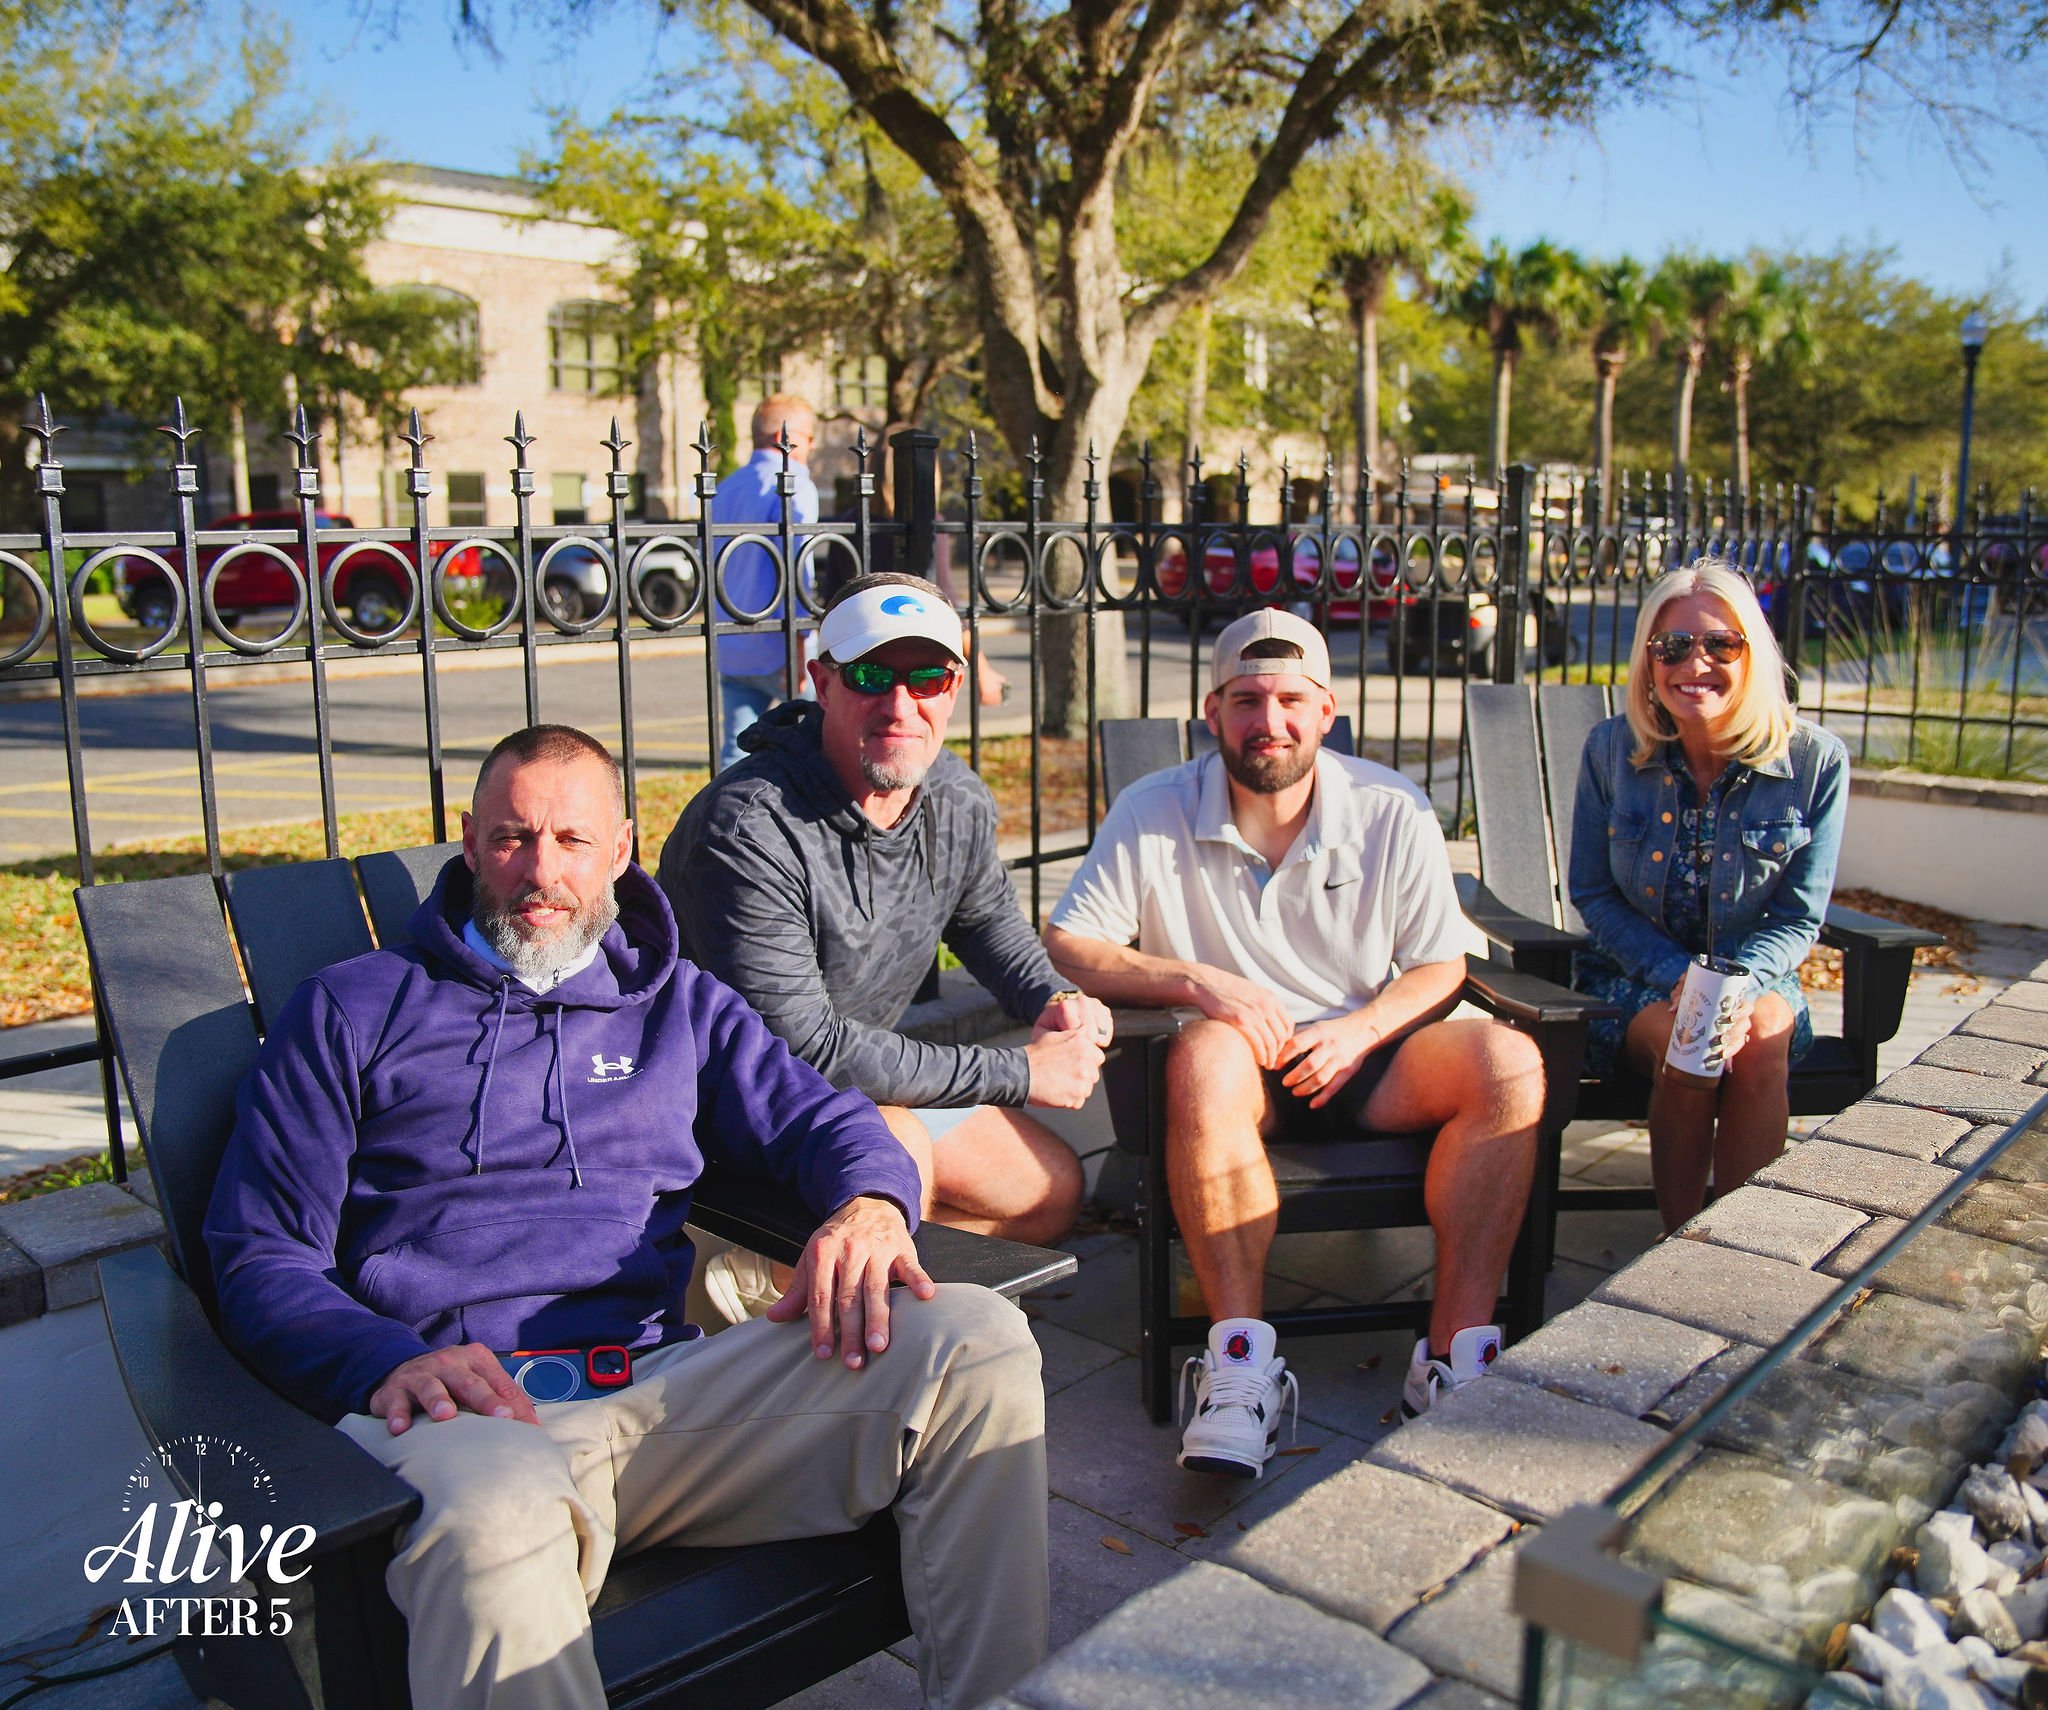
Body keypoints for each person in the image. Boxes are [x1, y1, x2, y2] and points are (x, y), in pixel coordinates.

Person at [204, 724, 1048, 1710]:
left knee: (976, 1339)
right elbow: (261, 1256)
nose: (539, 870)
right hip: (462, 1421)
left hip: (663, 1402)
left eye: (570, 840)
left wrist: (868, 1203)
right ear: (469, 845)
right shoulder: (353, 1011)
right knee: (503, 1509)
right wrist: (383, 1359)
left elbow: (825, 1120)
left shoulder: (678, 1007)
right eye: (513, 838)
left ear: (619, 849)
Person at [1043, 609, 1546, 1476]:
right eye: (1245, 700)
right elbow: (1071, 942)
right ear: (1212, 713)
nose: (1266, 722)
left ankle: (1455, 1359)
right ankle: (1241, 1371)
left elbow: (1439, 964)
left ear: (1325, 711)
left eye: (1287, 700)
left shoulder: (1391, 807)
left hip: (1370, 1056)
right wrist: (1197, 982)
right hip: (1239, 1067)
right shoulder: (1152, 808)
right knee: (1200, 1053)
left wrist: (1362, 1030)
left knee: (1510, 1062)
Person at [659, 573, 1108, 1325]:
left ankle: (796, 1281)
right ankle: (863, 1336)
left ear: (955, 685)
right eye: (871, 675)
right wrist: (1019, 1072)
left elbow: (987, 922)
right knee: (896, 1142)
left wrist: (1054, 999)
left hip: (867, 1082)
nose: (901, 705)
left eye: (926, 676)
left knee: (1051, 1191)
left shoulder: (952, 794)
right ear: (822, 681)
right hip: (737, 1102)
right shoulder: (748, 830)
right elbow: (804, 1048)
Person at [1569, 560, 1847, 1234]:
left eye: (1721, 644)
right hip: (1635, 975)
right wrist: (1685, 981)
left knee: (1759, 1042)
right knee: (1689, 1042)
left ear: (1752, 654)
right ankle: (1680, 1244)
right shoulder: (1612, 750)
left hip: (1759, 975)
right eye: (1673, 646)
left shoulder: (1813, 762)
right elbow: (1593, 892)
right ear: (1649, 661)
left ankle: (1735, 1250)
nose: (1696, 662)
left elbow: (1799, 917)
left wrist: (1734, 985)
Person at [713, 393, 819, 770]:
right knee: (816, 744)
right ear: (785, 437)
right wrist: (801, 644)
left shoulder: (725, 487)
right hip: (780, 644)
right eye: (809, 439)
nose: (811, 449)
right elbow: (798, 567)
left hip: (731, 641)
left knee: (734, 754)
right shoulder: (793, 482)